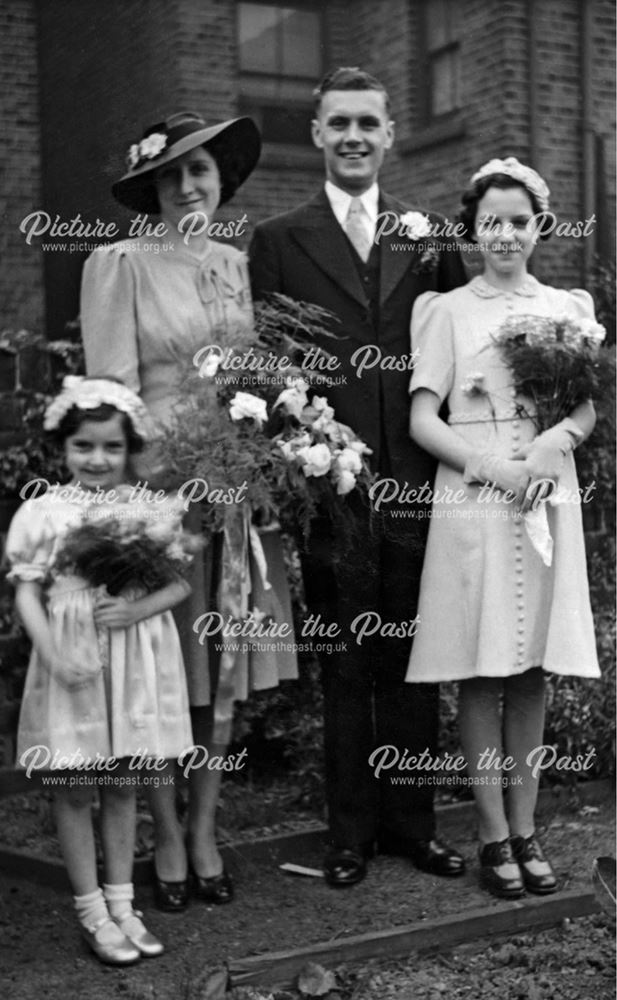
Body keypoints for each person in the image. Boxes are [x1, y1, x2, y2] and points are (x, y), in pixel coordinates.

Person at [249, 67, 467, 887]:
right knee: (344, 660)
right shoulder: (276, 238)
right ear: (315, 134)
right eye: (337, 123)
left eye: (366, 124)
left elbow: (458, 353)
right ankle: (347, 835)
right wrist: (311, 445)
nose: (352, 137)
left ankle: (413, 825)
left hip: (417, 483)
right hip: (329, 487)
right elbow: (268, 367)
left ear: (387, 134)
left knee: (415, 654)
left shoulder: (429, 236)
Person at [80, 112, 297, 910]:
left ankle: (207, 828)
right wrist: (144, 505)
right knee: (164, 677)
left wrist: (255, 465)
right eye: (170, 176)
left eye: (199, 170)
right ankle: (166, 834)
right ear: (151, 190)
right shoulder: (119, 264)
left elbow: (258, 384)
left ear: (220, 180)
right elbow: (109, 399)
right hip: (162, 504)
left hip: (234, 500)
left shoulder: (239, 267)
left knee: (222, 680)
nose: (187, 187)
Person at [406, 156, 601, 898]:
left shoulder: (564, 306)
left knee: (529, 670)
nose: (505, 234)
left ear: (536, 226)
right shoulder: (447, 312)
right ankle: (491, 836)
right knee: (482, 668)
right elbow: (423, 419)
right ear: (473, 227)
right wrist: (493, 468)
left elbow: (584, 406)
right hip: (475, 494)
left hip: (546, 491)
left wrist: (556, 443)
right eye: (491, 221)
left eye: (518, 221)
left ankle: (526, 828)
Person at [6, 376, 194, 964]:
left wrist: (136, 607)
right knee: (73, 785)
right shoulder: (43, 511)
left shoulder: (149, 510)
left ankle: (122, 904)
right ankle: (90, 908)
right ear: (63, 449)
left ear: (129, 449)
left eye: (112, 448)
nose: (97, 459)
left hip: (133, 658)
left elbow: (179, 584)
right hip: (74, 661)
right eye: (83, 446)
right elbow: (27, 594)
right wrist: (54, 653)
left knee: (122, 783)